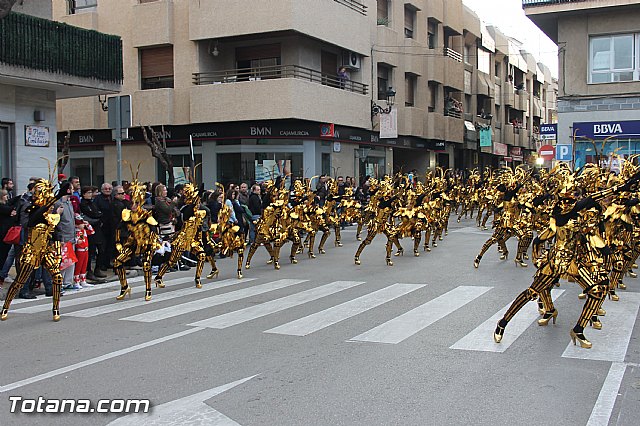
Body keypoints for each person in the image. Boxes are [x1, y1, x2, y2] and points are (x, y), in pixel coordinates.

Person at [73, 214, 94, 288]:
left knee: (84, 265)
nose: (82, 225)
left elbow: (92, 232)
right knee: (79, 265)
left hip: (86, 250)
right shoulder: (77, 232)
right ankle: (76, 281)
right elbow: (78, 241)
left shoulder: (83, 231)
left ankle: (83, 280)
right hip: (80, 251)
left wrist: (88, 224)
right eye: (81, 224)